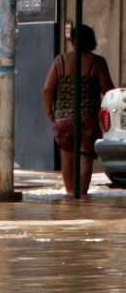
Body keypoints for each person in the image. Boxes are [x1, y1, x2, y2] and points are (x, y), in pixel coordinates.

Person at [42, 24, 115, 197]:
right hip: (87, 119)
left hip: (63, 120)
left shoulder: (60, 61)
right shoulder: (97, 62)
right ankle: (82, 195)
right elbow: (108, 90)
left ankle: (70, 195)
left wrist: (50, 112)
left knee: (67, 156)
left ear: (73, 40)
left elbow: (47, 89)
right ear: (92, 41)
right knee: (85, 157)